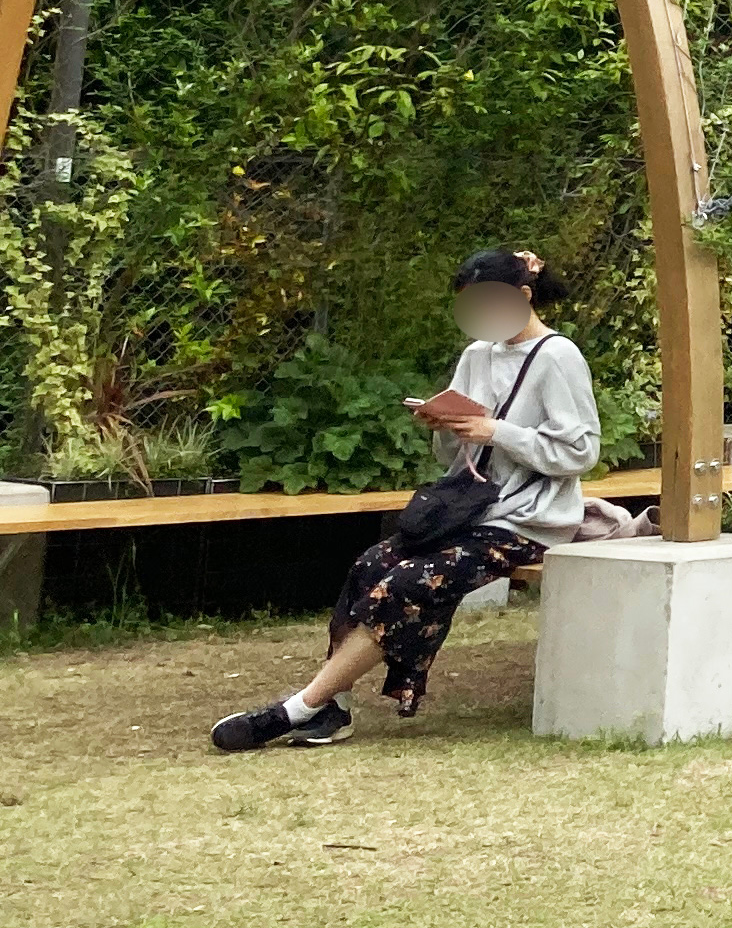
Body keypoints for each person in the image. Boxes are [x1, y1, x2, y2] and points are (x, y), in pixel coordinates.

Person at [210, 248, 600, 751]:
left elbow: (580, 451)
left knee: (409, 584)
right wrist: (446, 425)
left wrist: (495, 430)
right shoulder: (477, 354)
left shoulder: (558, 356)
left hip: (528, 522)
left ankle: (297, 708)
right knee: (370, 565)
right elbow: (454, 455)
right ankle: (333, 707)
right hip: (467, 509)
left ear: (524, 297)